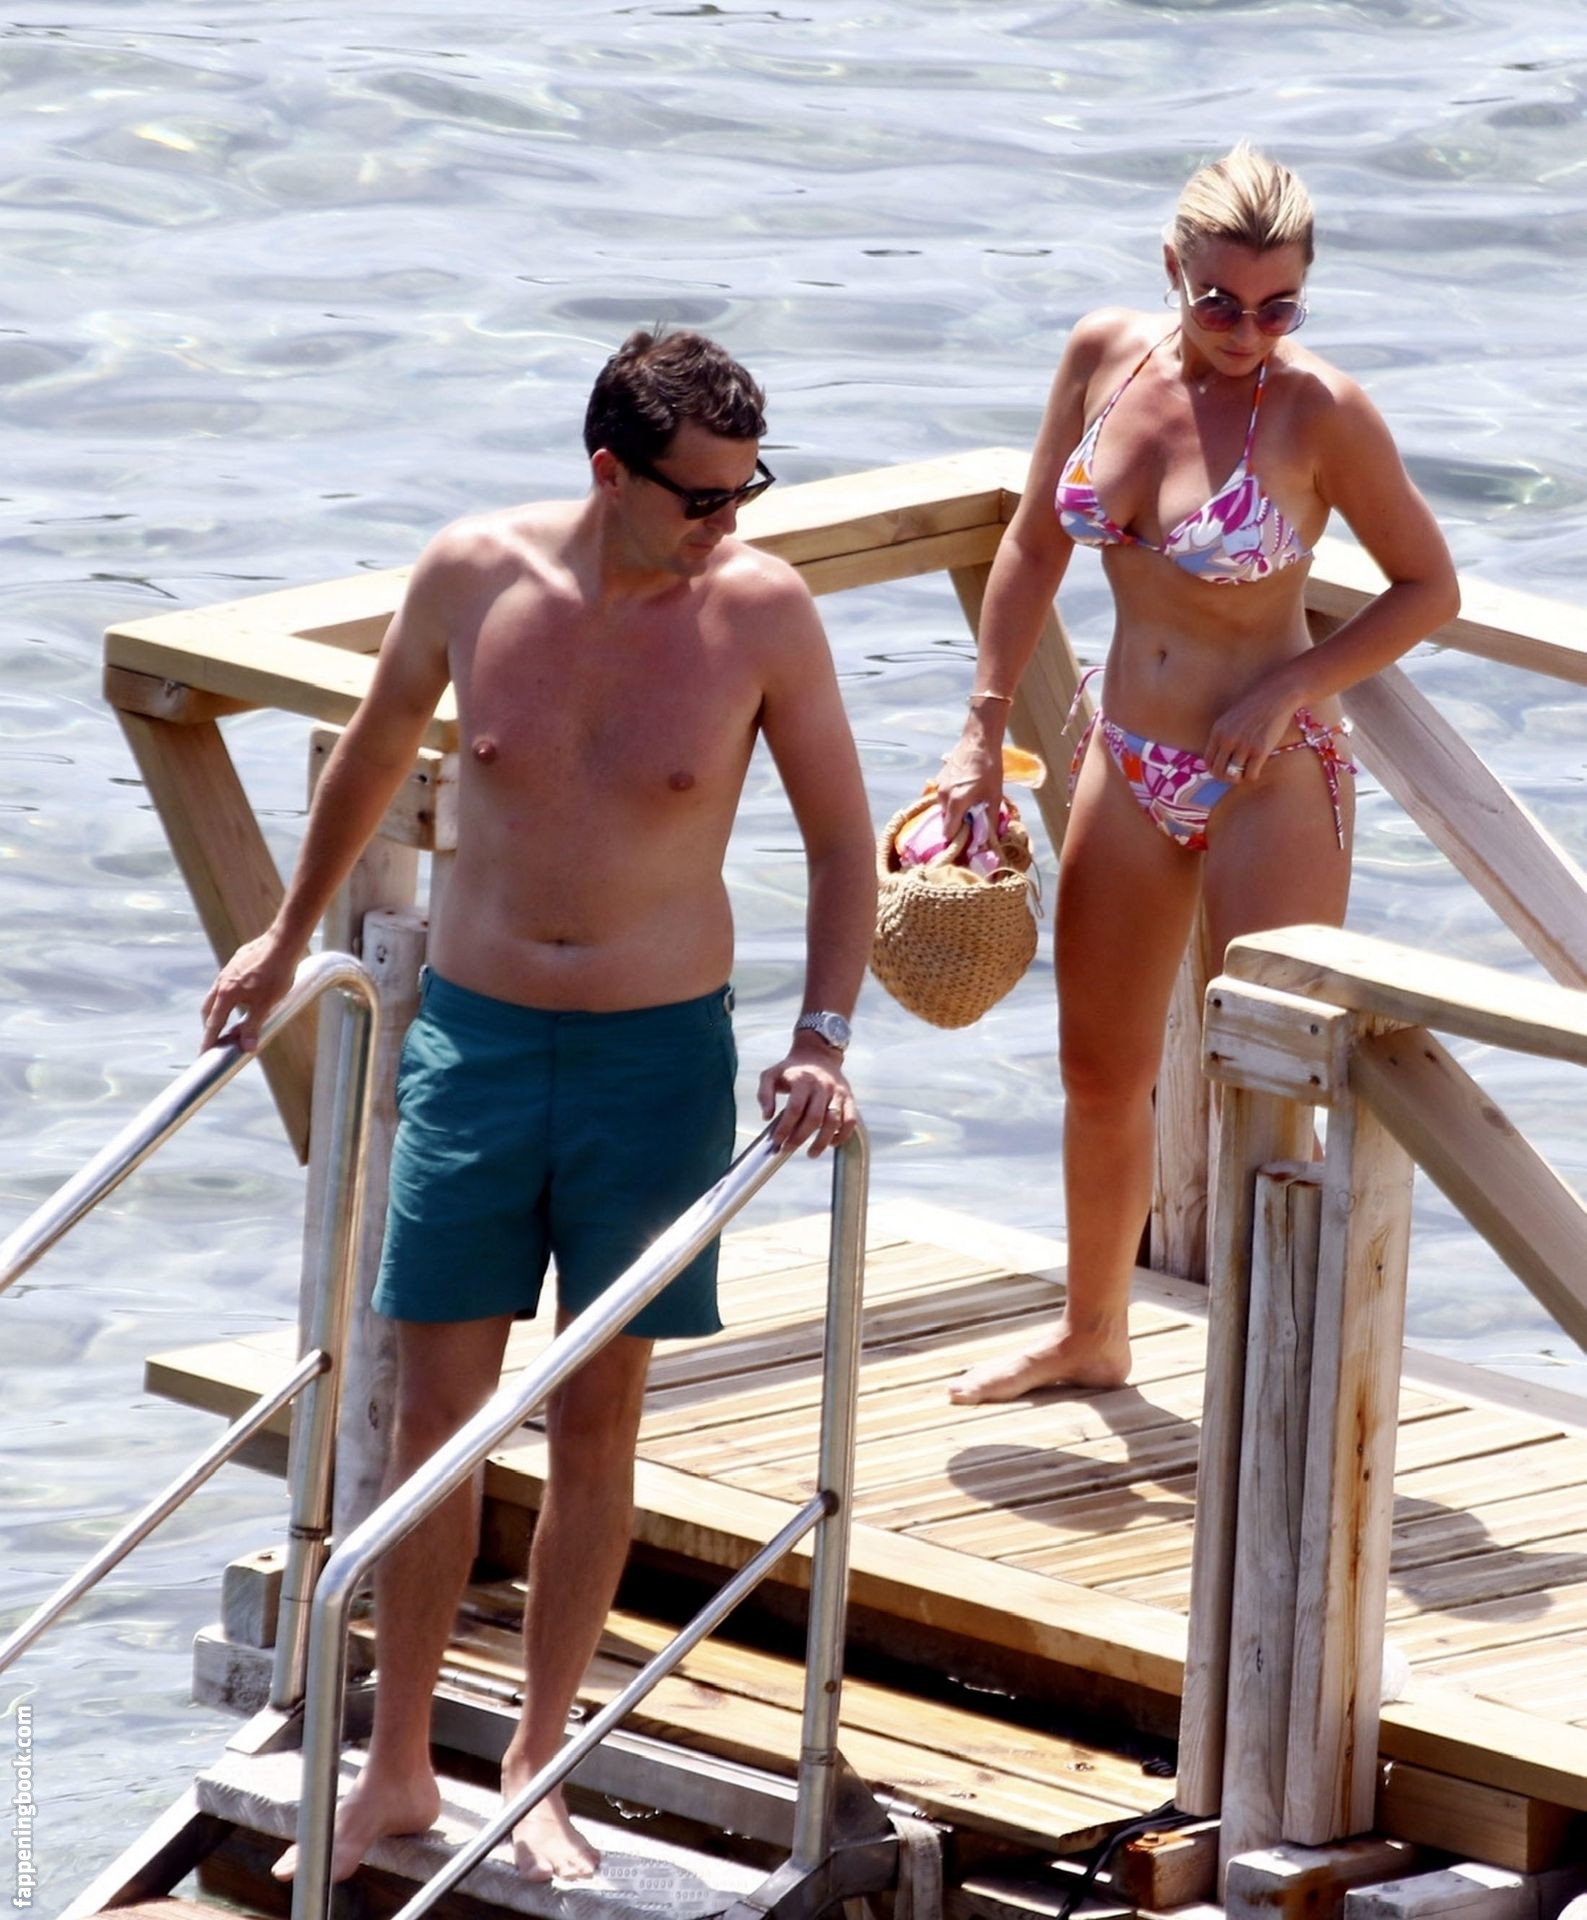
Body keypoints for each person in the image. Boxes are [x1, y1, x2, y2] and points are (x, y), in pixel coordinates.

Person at [199, 329, 876, 1883]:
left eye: (747, 490)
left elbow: (844, 841)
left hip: (656, 1057)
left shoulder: (761, 613)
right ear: (608, 473)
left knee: (593, 1414)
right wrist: (283, 938)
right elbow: (374, 753)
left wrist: (820, 1035)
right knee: (431, 1413)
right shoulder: (470, 575)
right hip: (479, 1043)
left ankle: (536, 1763)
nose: (727, 523)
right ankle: (393, 1767)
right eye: (700, 498)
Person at [936, 143, 1458, 1405]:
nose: (1246, 332)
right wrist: (982, 726)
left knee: (1274, 1085)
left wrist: (1291, 685)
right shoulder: (1101, 358)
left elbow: (1428, 587)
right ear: (1171, 267)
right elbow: (1030, 547)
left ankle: (1291, 1371)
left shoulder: (1321, 412)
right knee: (1098, 1071)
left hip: (1271, 776)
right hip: (1125, 752)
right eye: (1220, 301)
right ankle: (1092, 1333)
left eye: (1280, 308)